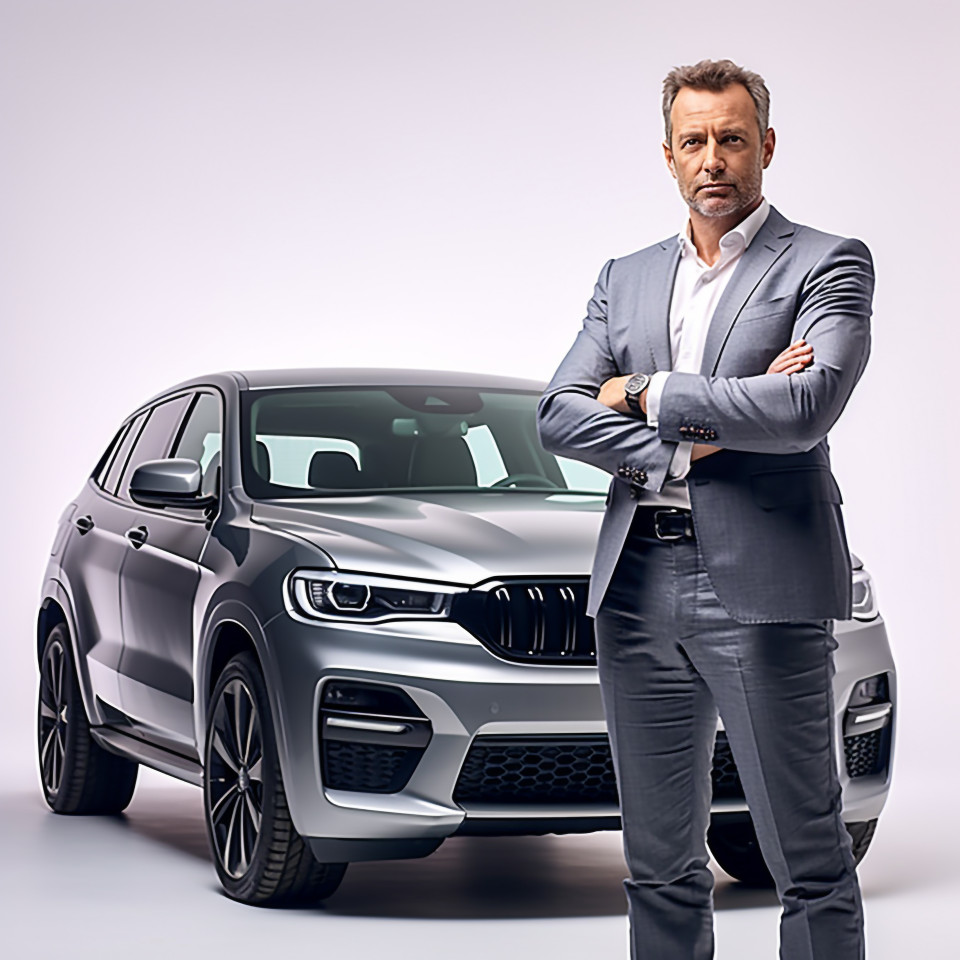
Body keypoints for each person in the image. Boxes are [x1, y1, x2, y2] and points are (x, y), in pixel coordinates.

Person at [536, 58, 872, 960]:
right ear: (669, 154)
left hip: (764, 588)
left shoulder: (826, 262)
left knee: (805, 857)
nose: (713, 158)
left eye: (731, 138)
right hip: (637, 579)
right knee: (657, 864)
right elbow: (558, 413)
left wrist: (644, 390)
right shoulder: (629, 275)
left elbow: (804, 409)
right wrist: (702, 431)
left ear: (767, 144)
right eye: (695, 141)